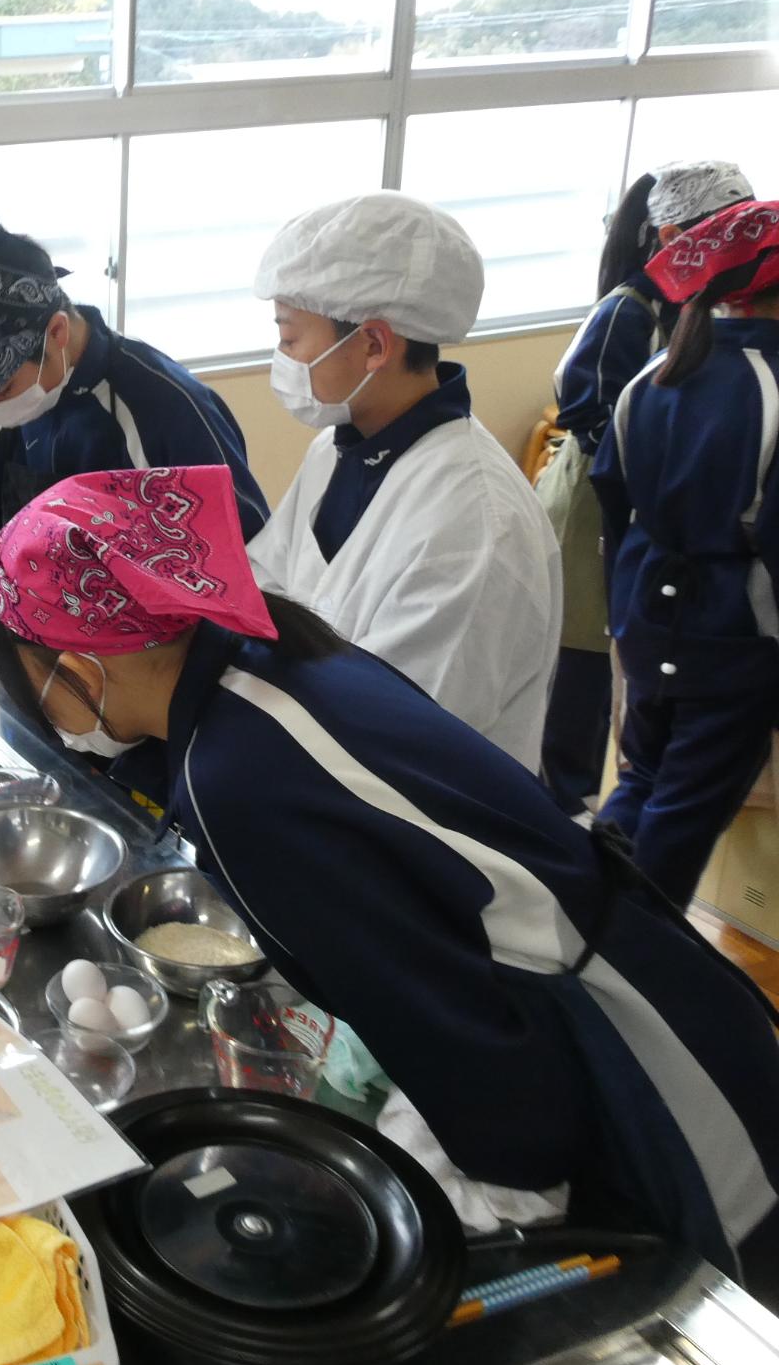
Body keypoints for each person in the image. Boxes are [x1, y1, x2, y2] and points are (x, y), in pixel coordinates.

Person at [0, 466, 779, 1299]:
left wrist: (501, 1193)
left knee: (721, 1297)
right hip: (641, 985)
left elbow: (439, 1012)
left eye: (32, 690)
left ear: (78, 670)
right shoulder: (258, 657)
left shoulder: (236, 781)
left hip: (636, 1060)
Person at [249, 191, 561, 770]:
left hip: (418, 806)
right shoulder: (336, 450)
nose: (283, 357)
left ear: (373, 344)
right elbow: (264, 586)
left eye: (291, 339)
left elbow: (400, 733)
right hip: (312, 768)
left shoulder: (476, 522)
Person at [0, 197, 266, 612]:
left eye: (1, 388)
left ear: (55, 332)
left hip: (155, 645)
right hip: (33, 633)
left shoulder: (166, 411)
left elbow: (243, 558)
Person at [540, 161, 755, 813]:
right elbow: (588, 412)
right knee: (581, 670)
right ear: (670, 239)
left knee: (631, 670)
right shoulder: (626, 310)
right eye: (726, 232)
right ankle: (562, 813)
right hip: (593, 510)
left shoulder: (714, 309)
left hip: (656, 512)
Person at [592, 198, 779, 908]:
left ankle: (584, 917)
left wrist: (625, 614)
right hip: (736, 632)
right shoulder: (772, 383)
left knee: (641, 777)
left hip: (645, 616)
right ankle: (641, 952)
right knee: (688, 807)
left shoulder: (654, 376)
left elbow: (616, 504)